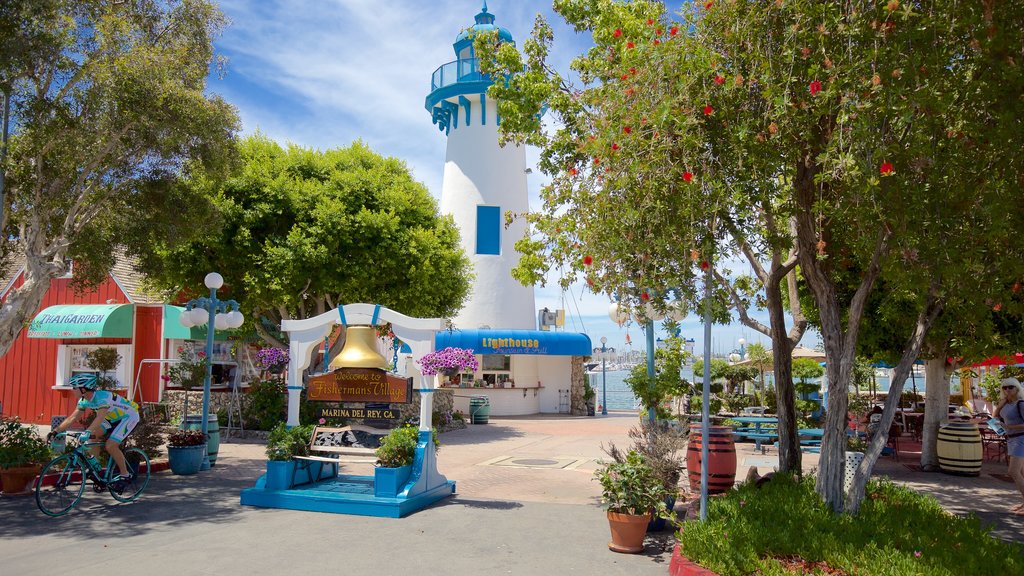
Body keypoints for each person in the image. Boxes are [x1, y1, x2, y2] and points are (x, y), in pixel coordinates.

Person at [48, 373, 140, 489]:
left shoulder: (102, 397)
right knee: (92, 437)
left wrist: (87, 431)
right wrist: (55, 431)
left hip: (128, 416)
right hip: (111, 418)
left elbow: (100, 417)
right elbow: (72, 418)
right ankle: (97, 470)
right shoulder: (83, 400)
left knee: (110, 445)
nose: (72, 390)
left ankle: (125, 474)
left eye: (74, 388)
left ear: (84, 389)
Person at [995, 377, 1024, 515]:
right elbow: (995, 418)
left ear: (1017, 388)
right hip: (1011, 439)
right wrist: (999, 406)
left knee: (1013, 471)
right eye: (1004, 388)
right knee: (1022, 472)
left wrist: (1008, 426)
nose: (1007, 390)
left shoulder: (1021, 404)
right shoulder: (1006, 404)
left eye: (1010, 387)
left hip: (1021, 438)